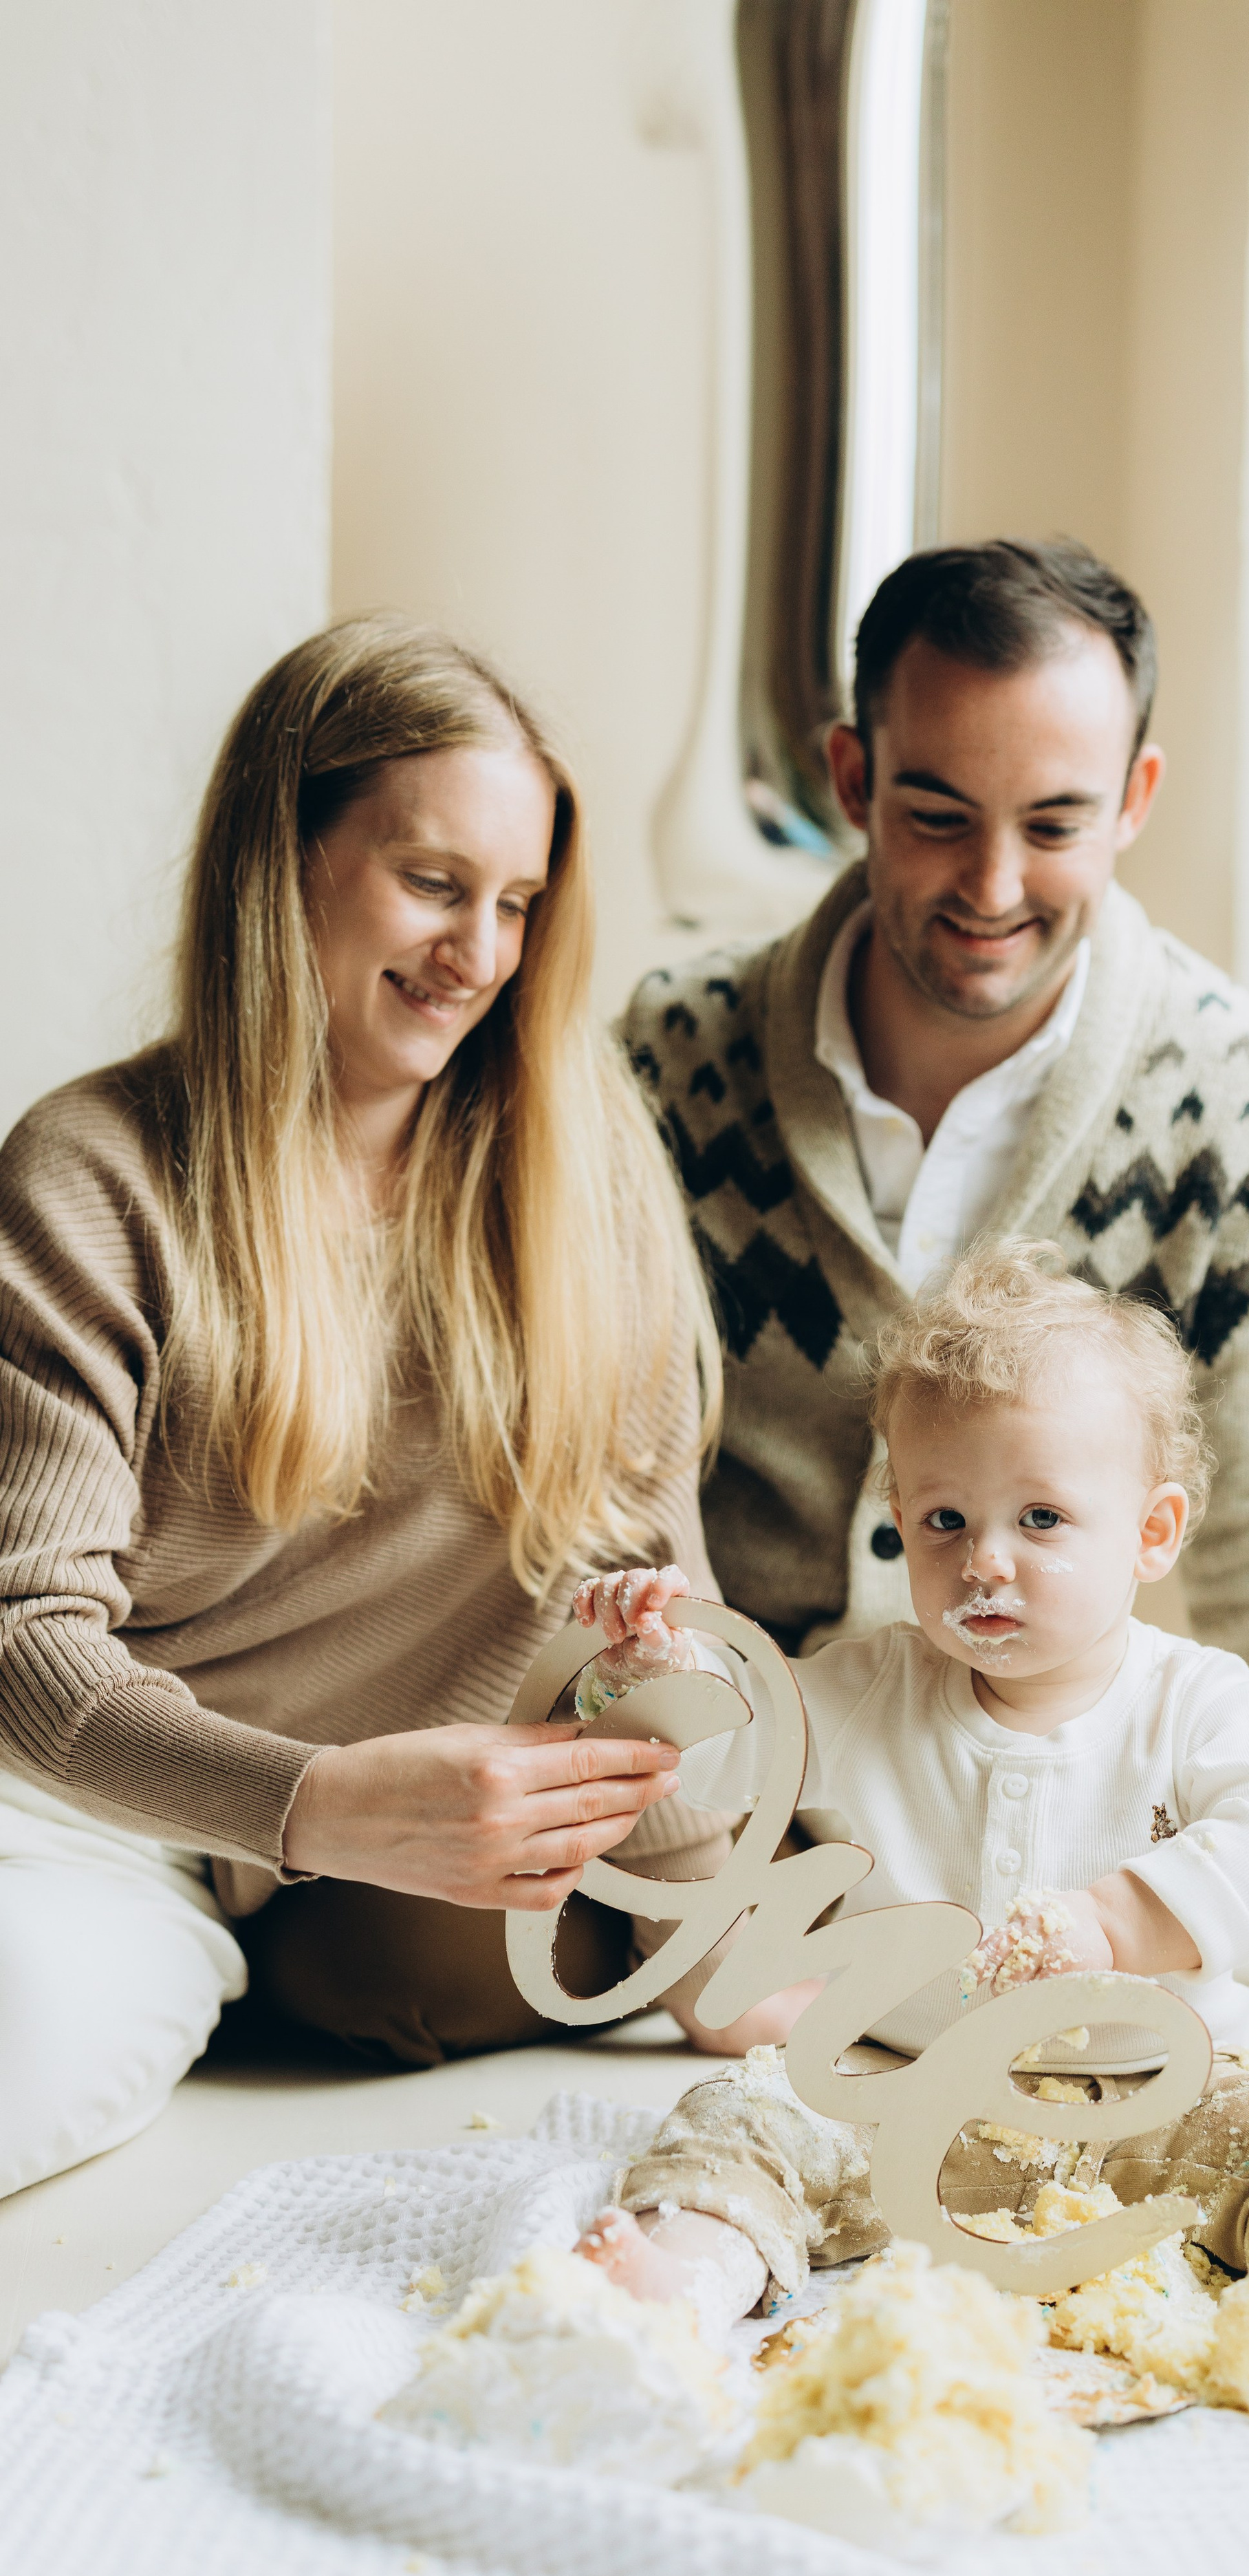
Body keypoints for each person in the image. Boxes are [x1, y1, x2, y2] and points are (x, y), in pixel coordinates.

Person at [624, 536, 1249, 2035]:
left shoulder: (1227, 1087)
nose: (991, 885)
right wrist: (701, 1846)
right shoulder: (673, 1055)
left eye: (1054, 824)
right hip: (729, 1818)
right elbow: (598, 1463)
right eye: (933, 815)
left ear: (1135, 804)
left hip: (1039, 1844)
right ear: (849, 776)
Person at [0, 617, 732, 2202]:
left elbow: (651, 1612)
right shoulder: (93, 1172)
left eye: (518, 902)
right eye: (431, 882)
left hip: (230, 1865)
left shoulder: (576, 1185)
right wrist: (311, 1804)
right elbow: (25, 1649)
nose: (478, 951)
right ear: (291, 858)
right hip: (69, 1794)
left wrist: (713, 1957)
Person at [572, 1243, 1249, 2385]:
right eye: (943, 1521)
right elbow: (712, 1765)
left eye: (1041, 1519)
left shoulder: (1195, 1701)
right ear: (897, 1518)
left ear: (1152, 1531)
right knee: (742, 2116)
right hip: (899, 2091)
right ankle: (679, 2287)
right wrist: (649, 1667)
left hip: (1162, 2095)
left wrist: (1126, 1921)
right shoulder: (866, 1687)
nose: (985, 1562)